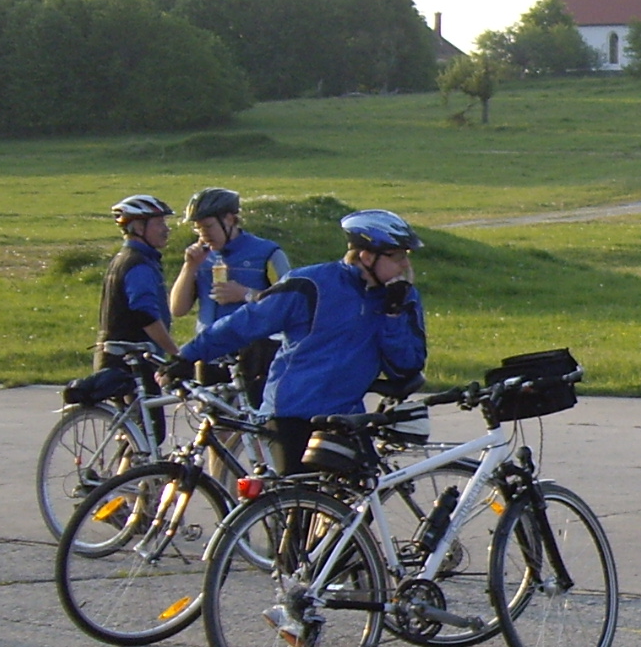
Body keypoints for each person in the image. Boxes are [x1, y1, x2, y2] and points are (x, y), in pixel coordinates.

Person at [175, 209, 428, 475]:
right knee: (297, 495)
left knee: (361, 495)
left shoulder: (402, 298)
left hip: (347, 416)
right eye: (397, 257)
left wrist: (393, 315)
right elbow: (245, 323)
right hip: (292, 413)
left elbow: (406, 366)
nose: (405, 265)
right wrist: (187, 356)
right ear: (367, 256)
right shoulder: (311, 284)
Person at [170, 186, 290, 406]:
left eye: (208, 226)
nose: (203, 234)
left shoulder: (267, 253)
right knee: (214, 420)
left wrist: (246, 294)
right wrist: (189, 267)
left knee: (254, 420)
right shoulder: (201, 256)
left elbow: (288, 303)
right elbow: (178, 309)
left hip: (255, 354)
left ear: (230, 219)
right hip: (211, 352)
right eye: (198, 228)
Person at [99, 195, 180, 368]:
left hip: (122, 361)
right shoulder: (139, 266)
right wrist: (176, 354)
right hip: (134, 364)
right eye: (159, 223)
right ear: (138, 227)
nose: (166, 229)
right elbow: (145, 315)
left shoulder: (127, 258)